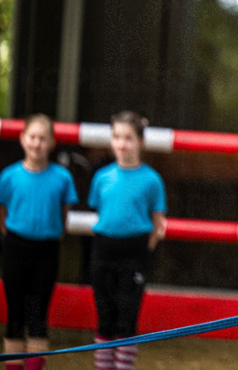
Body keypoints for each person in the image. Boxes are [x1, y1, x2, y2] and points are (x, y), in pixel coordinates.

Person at [87, 111, 167, 370]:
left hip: (135, 252)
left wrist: (144, 251)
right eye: (117, 137)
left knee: (127, 317)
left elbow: (157, 221)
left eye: (129, 138)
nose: (122, 144)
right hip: (103, 250)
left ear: (140, 142)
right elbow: (100, 210)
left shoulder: (152, 180)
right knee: (105, 316)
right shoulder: (102, 177)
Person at [0, 114, 79, 370]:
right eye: (32, 137)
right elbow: (2, 210)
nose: (37, 143)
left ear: (52, 143)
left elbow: (64, 211)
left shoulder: (62, 177)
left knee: (38, 315)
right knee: (14, 315)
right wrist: (10, 232)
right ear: (23, 139)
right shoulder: (9, 176)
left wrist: (55, 231)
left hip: (46, 249)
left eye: (43, 138)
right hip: (15, 247)